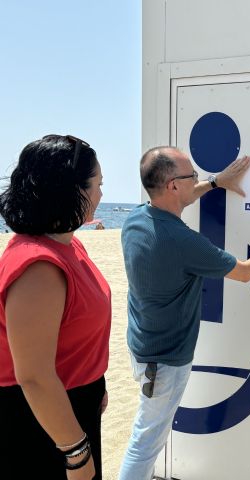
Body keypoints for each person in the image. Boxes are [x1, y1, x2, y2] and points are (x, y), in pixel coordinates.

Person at [119, 147, 250, 480]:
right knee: (146, 441)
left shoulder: (137, 218)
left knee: (149, 432)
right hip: (164, 361)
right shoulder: (182, 241)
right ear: (172, 186)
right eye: (190, 175)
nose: (195, 179)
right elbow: (246, 271)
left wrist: (215, 182)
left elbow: (183, 196)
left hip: (144, 347)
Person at [0, 135, 111, 479]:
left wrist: (97, 385)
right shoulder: (38, 267)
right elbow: (33, 376)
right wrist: (75, 451)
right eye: (97, 185)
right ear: (71, 190)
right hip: (41, 418)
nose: (101, 195)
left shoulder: (67, 243)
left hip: (71, 404)